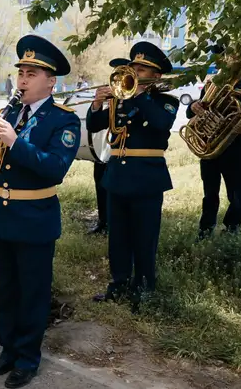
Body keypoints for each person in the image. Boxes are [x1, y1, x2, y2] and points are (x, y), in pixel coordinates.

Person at [0, 35, 80, 388]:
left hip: (35, 219)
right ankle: (8, 350)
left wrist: (16, 141)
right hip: (2, 214)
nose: (24, 79)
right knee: (7, 288)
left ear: (51, 81)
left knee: (32, 291)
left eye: (32, 73)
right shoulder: (9, 112)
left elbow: (53, 168)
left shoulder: (63, 121)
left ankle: (28, 359)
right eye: (21, 72)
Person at [87, 41, 178, 312]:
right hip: (117, 174)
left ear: (156, 75)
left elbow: (160, 123)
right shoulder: (119, 99)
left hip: (147, 177)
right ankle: (119, 285)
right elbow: (94, 126)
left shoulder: (165, 102)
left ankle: (144, 288)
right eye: (134, 67)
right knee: (118, 237)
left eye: (142, 68)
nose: (135, 72)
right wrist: (97, 103)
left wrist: (138, 95)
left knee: (144, 237)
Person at [188, 47, 241, 240]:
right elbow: (196, 111)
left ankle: (232, 228)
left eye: (232, 61)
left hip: (235, 149)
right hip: (210, 146)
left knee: (235, 194)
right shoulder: (213, 84)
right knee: (209, 193)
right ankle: (205, 228)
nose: (227, 65)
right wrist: (192, 107)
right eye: (224, 61)